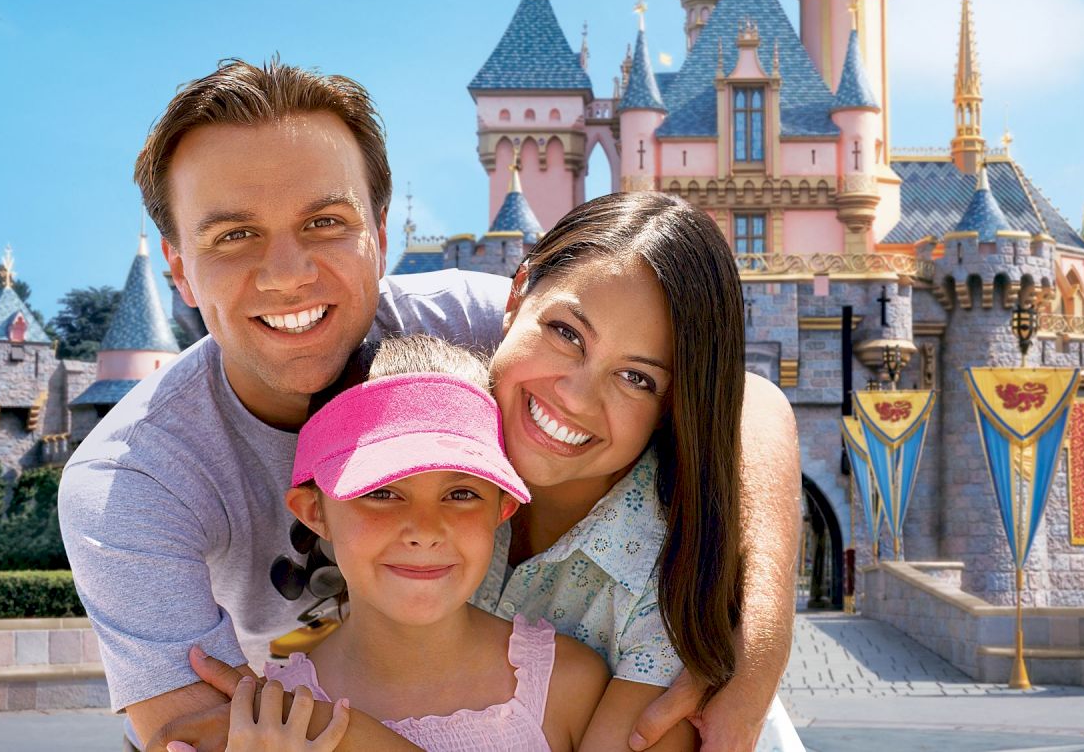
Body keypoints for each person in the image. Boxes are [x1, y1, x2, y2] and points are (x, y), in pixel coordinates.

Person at [60, 58, 799, 751]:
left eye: (324, 222)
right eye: (235, 235)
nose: (286, 274)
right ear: (179, 270)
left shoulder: (480, 334)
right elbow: (200, 733)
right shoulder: (130, 484)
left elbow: (743, 401)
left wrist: (756, 645)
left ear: (380, 236)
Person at [196, 191, 805, 751]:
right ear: (515, 298)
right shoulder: (442, 404)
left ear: (676, 403)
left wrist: (334, 728)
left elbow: (756, 399)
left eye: (636, 378)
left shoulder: (673, 568)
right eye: (567, 334)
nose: (577, 397)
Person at [176, 335, 609, 752]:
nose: (424, 530)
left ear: (503, 509)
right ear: (314, 511)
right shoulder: (272, 727)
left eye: (461, 494)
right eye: (382, 493)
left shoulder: (568, 685)